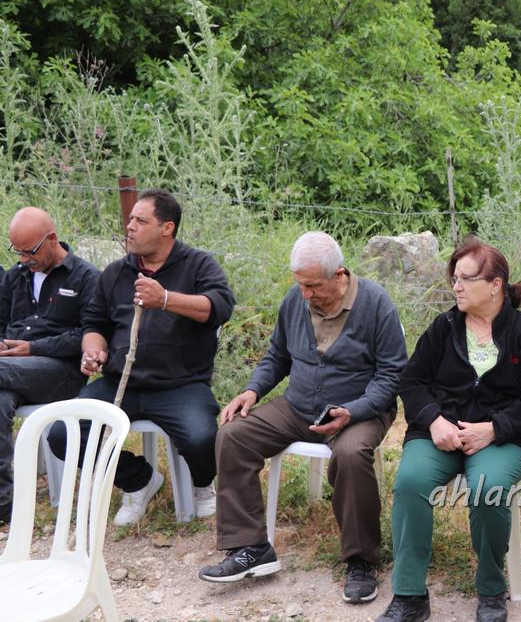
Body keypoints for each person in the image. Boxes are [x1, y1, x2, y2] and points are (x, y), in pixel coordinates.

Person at [198, 232, 407, 605]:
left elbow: (392, 375)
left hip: (358, 410)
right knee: (233, 435)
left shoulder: (376, 304)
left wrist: (354, 411)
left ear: (339, 275)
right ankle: (251, 548)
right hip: (299, 407)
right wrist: (252, 391)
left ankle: (361, 561)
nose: (305, 294)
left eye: (313, 286)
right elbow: (277, 355)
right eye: (300, 285)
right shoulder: (295, 300)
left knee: (350, 454)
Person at [376, 239, 521, 622]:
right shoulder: (444, 328)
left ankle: (491, 590)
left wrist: (495, 429)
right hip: (441, 432)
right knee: (410, 481)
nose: (455, 287)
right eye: (454, 279)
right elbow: (412, 381)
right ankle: (409, 595)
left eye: (465, 279)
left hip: (507, 438)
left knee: (488, 488)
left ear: (495, 285)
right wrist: (433, 419)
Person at [48, 188, 235, 526]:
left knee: (202, 437)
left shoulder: (198, 265)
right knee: (63, 433)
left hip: (181, 384)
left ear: (167, 228)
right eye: (130, 219)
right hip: (119, 382)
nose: (130, 226)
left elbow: (220, 307)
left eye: (141, 221)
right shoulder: (116, 273)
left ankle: (202, 485)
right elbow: (94, 323)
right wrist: (93, 349)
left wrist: (166, 299)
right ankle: (138, 480)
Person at [0, 207, 99, 525]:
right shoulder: (15, 276)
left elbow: (88, 334)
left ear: (52, 239)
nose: (23, 259)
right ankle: (4, 506)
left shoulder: (85, 278)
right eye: (17, 252)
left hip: (60, 373)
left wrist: (33, 348)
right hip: (10, 369)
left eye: (29, 252)